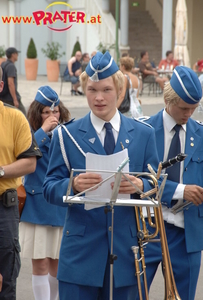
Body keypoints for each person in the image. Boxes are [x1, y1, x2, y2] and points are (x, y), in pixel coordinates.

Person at [42, 51, 161, 300]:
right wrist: (72, 185)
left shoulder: (143, 133)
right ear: (83, 90)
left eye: (106, 89)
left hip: (126, 255)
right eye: (92, 90)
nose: (98, 98)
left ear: (119, 89)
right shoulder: (66, 135)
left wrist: (141, 184)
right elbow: (49, 187)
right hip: (79, 257)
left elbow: (156, 183)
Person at [138, 66, 203, 300]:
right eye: (184, 108)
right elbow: (138, 178)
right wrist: (181, 190)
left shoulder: (201, 134)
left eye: (194, 109)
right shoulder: (142, 129)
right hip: (147, 229)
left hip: (187, 234)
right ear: (167, 99)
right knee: (134, 294)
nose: (189, 114)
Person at [19, 86, 71, 300]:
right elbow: (25, 153)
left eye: (56, 111)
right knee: (40, 263)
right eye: (46, 112)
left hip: (59, 203)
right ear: (37, 113)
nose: (52, 116)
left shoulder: (67, 132)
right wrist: (42, 132)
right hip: (36, 205)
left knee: (58, 263)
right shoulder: (29, 131)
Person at [0, 66, 42, 299]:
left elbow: (29, 163)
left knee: (6, 279)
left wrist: (0, 171)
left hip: (3, 208)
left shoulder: (15, 117)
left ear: (1, 87)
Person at [0, 47, 26, 115]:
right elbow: (10, 83)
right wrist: (15, 99)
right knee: (23, 115)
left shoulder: (3, 64)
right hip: (10, 98)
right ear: (13, 55)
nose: (17, 55)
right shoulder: (11, 66)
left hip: (3, 96)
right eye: (17, 54)